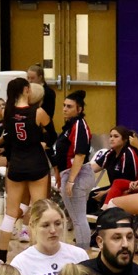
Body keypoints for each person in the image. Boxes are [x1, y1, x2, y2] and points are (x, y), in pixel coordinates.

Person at [0, 78, 52, 264]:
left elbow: (9, 139)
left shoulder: (6, 111)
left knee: (10, 214)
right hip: (36, 164)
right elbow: (51, 135)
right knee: (39, 212)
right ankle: (37, 256)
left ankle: (1, 258)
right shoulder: (38, 111)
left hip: (16, 165)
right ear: (27, 90)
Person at [54, 90, 97, 249]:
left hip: (78, 175)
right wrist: (59, 174)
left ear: (79, 109)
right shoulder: (70, 125)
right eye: (64, 105)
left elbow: (80, 154)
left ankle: (83, 253)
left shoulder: (79, 124)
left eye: (69, 106)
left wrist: (71, 180)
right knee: (77, 218)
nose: (65, 109)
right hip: (70, 173)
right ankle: (82, 250)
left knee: (79, 219)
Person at [91, 125, 138, 208]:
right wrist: (74, 172)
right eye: (111, 136)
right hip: (113, 187)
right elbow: (92, 168)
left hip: (131, 189)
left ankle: (102, 216)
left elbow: (126, 183)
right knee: (91, 196)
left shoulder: (129, 154)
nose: (112, 139)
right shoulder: (110, 154)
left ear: (125, 140)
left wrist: (105, 192)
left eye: (116, 136)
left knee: (103, 198)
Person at [26, 63, 57, 144]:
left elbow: (49, 114)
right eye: (28, 78)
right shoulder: (26, 90)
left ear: (40, 77)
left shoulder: (49, 92)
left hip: (44, 129)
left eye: (32, 78)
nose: (29, 81)